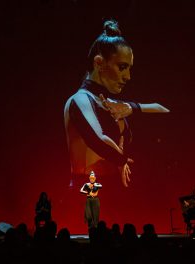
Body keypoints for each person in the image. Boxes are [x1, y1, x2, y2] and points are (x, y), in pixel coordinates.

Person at [64, 19, 169, 188]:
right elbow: (97, 140)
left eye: (129, 68)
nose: (128, 76)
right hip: (86, 193)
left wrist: (134, 108)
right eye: (122, 67)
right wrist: (121, 159)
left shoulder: (114, 104)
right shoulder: (80, 100)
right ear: (99, 63)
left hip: (117, 193)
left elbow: (165, 111)